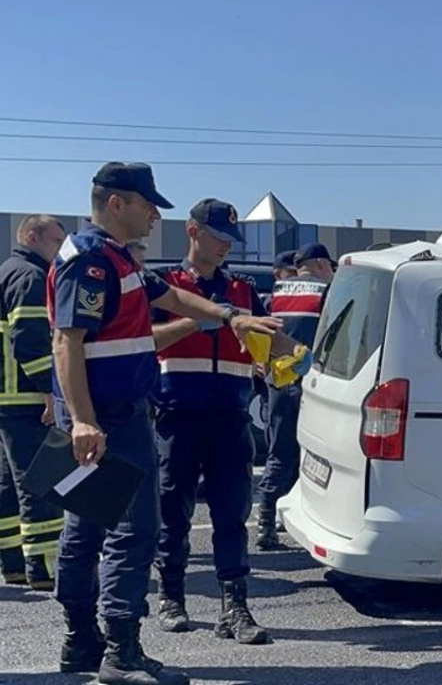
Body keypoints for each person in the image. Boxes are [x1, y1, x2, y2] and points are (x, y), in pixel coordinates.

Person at [51, 162, 280, 684]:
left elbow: (173, 299)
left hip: (115, 414)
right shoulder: (91, 260)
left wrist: (231, 317)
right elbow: (68, 341)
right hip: (108, 418)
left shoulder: (116, 261)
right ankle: (120, 652)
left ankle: (82, 643)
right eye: (147, 204)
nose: (156, 214)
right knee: (134, 532)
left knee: (87, 531)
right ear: (116, 204)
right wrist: (84, 420)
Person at [148, 199, 270, 645]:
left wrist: (277, 358)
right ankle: (172, 595)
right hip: (178, 415)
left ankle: (234, 606)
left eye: (230, 241)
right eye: (219, 238)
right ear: (193, 232)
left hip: (230, 417)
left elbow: (261, 344)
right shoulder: (166, 285)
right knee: (172, 512)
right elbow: (145, 339)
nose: (226, 248)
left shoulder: (241, 289)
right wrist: (195, 321)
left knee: (232, 514)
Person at [0, 215, 66, 591]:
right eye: (55, 241)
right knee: (39, 482)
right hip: (26, 397)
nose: (60, 249)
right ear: (31, 236)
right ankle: (43, 566)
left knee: (8, 485)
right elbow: (30, 341)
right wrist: (49, 391)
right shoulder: (31, 277)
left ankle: (13, 563)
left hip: (7, 396)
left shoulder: (8, 270)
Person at [254, 242, 333, 550]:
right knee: (311, 456)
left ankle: (268, 519)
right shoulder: (325, 293)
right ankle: (278, 521)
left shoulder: (277, 291)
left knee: (279, 450)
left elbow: (259, 331)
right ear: (322, 265)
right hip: (310, 384)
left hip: (277, 381)